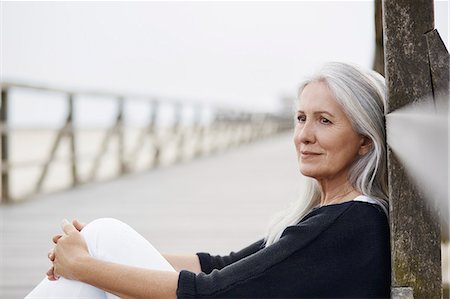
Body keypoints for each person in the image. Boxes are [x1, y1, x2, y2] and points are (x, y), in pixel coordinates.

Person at [25, 62, 391, 299]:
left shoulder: (348, 223)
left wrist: (86, 266)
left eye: (324, 120)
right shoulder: (333, 213)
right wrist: (95, 253)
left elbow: (211, 293)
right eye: (300, 118)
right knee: (102, 236)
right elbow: (222, 263)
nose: (304, 135)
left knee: (102, 239)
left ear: (365, 139)